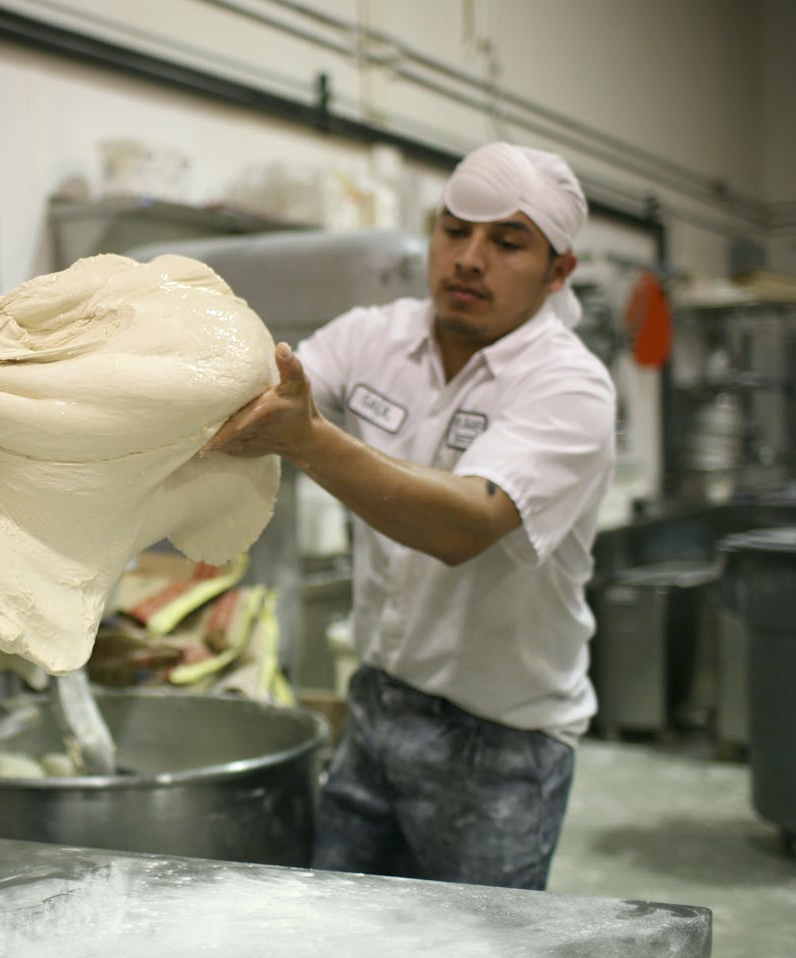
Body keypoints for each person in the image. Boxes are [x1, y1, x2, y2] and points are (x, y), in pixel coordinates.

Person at [209, 142, 616, 890]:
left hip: (502, 747)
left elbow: (463, 525)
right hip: (377, 711)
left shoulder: (569, 386)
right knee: (341, 946)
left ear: (560, 272)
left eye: (507, 241)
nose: (469, 258)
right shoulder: (377, 336)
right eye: (454, 230)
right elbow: (257, 391)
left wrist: (308, 438)